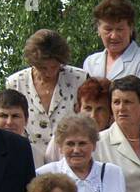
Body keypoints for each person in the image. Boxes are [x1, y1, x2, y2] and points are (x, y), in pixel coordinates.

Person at [6, 29, 90, 167]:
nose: (49, 73)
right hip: (28, 160)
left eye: (54, 66)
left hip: (70, 161)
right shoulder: (15, 83)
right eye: (43, 68)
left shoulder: (79, 79)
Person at [81, 0, 140, 115]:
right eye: (108, 29)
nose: (114, 36)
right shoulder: (90, 62)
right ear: (98, 29)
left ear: (131, 28)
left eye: (120, 29)